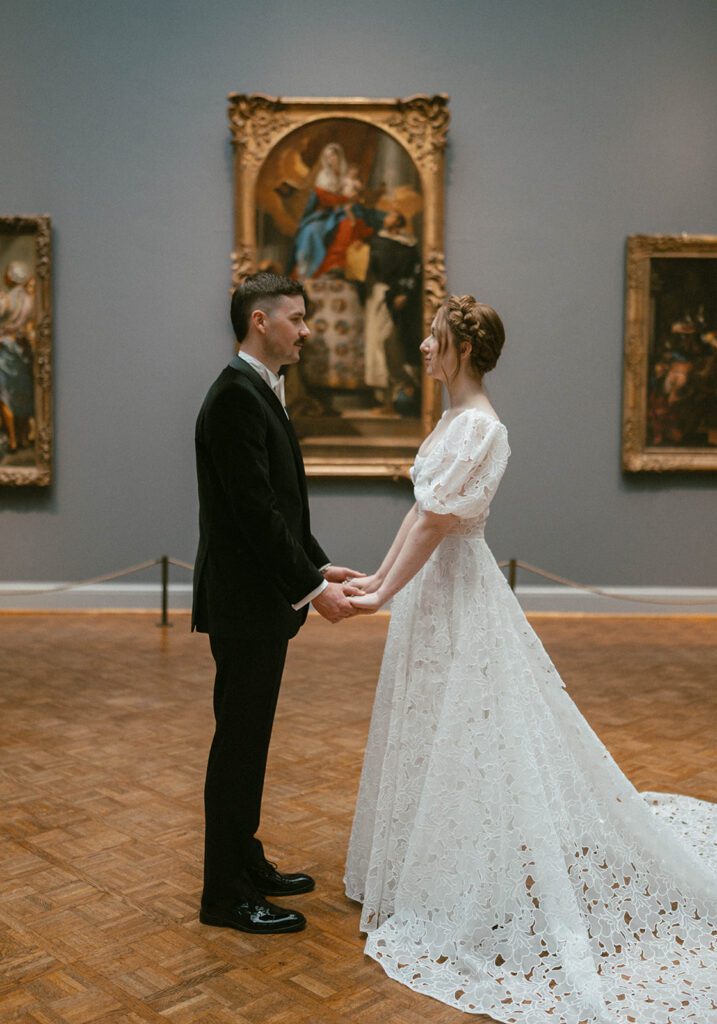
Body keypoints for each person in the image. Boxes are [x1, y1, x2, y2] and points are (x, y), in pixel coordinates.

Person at [343, 295, 716, 1021]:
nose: (422, 346)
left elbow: (439, 520)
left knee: (475, 729)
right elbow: (419, 512)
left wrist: (383, 591)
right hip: (434, 591)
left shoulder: (482, 427)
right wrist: (376, 579)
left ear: (461, 350)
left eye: (434, 338)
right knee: (429, 720)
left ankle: (463, 874)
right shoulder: (453, 420)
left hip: (457, 591)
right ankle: (430, 866)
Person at [193, 271, 364, 935]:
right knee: (237, 746)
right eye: (295, 317)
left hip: (256, 598)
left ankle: (244, 859)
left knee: (248, 742)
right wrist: (312, 589)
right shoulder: (234, 396)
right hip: (244, 603)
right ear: (260, 322)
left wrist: (317, 563)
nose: (306, 329)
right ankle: (224, 894)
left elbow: (279, 506)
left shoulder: (255, 390)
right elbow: (253, 513)